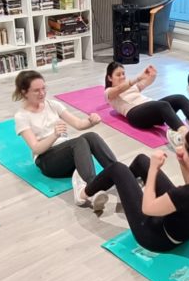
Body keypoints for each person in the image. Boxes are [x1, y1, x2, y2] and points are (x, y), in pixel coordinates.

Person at [81, 127, 189, 252]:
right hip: (183, 227)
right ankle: (124, 187)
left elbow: (148, 209)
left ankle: (83, 194)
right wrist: (183, 164)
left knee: (118, 169)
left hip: (156, 237)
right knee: (142, 161)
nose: (182, 150)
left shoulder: (185, 195)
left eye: (185, 150)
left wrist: (154, 169)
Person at [13, 69, 117, 210]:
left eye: (43, 88)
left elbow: (79, 124)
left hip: (66, 153)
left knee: (90, 136)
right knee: (78, 142)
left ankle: (118, 173)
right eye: (36, 90)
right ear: (24, 92)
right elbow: (36, 148)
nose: (42, 93)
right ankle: (92, 189)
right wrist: (54, 135)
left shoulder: (52, 105)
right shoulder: (22, 116)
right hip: (46, 160)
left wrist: (91, 121)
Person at [104, 62, 189, 149]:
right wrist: (138, 78)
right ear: (109, 78)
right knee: (163, 105)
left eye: (123, 73)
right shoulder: (108, 93)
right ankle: (185, 135)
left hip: (151, 109)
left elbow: (145, 83)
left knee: (179, 98)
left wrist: (152, 75)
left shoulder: (130, 86)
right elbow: (119, 89)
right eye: (118, 75)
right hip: (135, 115)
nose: (122, 76)